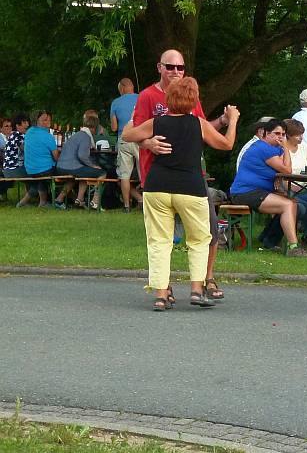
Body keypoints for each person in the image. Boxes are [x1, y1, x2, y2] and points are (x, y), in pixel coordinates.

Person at [123, 77, 239, 310]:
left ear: (168, 99)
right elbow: (226, 144)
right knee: (198, 239)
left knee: (159, 241)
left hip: (157, 186)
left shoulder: (157, 122)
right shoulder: (199, 124)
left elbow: (127, 136)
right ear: (194, 100)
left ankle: (161, 294)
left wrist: (147, 142)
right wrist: (233, 120)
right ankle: (197, 290)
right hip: (191, 187)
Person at [230, 118, 307, 257]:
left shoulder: (274, 149)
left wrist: (284, 149)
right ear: (266, 133)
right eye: (276, 133)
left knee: (293, 204)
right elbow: (287, 170)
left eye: (283, 134)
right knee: (287, 205)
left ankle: (272, 241)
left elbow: (286, 168)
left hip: (257, 191)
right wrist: (286, 147)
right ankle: (293, 247)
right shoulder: (263, 148)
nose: (280, 137)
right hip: (245, 193)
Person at [54, 114, 106, 209]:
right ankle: (95, 201)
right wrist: (93, 166)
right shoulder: (86, 137)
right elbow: (82, 155)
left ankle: (63, 200)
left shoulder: (77, 135)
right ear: (94, 128)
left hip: (60, 166)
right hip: (72, 166)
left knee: (80, 175)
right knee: (102, 173)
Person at [284, 118, 307, 243]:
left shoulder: (303, 147)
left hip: (305, 186)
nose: (301, 137)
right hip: (288, 188)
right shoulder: (282, 149)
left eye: (302, 134)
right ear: (288, 135)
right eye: (297, 135)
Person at [110, 77, 142, 212]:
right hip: (140, 138)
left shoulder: (115, 103)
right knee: (144, 172)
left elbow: (113, 127)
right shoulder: (142, 98)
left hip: (124, 139)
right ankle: (149, 205)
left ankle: (127, 206)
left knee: (124, 174)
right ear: (132, 87)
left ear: (122, 88)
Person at [2, 113, 39, 207]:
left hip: (7, 170)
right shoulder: (19, 135)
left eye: (27, 122)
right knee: (39, 178)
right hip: (15, 170)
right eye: (24, 123)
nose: (27, 125)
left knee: (31, 178)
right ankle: (22, 203)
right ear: (18, 126)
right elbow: (27, 151)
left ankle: (31, 201)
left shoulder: (12, 135)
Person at [24, 110, 59, 207]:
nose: (47, 121)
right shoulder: (48, 136)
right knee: (68, 173)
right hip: (44, 169)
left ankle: (23, 203)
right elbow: (56, 157)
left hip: (30, 169)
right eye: (44, 119)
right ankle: (60, 199)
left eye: (48, 119)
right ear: (37, 120)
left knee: (39, 180)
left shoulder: (29, 132)